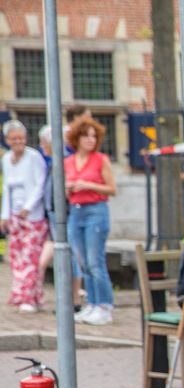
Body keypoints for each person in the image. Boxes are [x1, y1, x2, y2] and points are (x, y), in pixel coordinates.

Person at [64, 116, 115, 325]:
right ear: (77, 138)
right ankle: (92, 304)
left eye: (94, 136)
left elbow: (112, 189)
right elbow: (67, 192)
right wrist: (70, 187)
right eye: (86, 136)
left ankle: (105, 306)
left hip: (96, 211)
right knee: (83, 262)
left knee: (96, 261)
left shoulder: (101, 159)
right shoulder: (68, 161)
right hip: (76, 212)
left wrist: (88, 185)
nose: (90, 140)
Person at [1, 120, 50, 312]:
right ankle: (26, 294)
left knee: (31, 258)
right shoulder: (6, 159)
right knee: (16, 257)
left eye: (21, 138)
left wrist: (28, 207)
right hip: (15, 216)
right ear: (7, 140)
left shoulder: (34, 157)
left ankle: (28, 297)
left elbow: (40, 184)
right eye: (14, 138)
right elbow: (7, 188)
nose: (18, 141)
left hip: (33, 217)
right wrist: (4, 215)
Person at [36, 125, 55, 286]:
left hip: (58, 212)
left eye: (43, 143)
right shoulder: (45, 160)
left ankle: (38, 272)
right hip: (49, 211)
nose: (41, 147)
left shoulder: (58, 160)